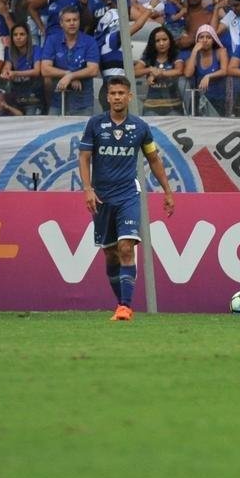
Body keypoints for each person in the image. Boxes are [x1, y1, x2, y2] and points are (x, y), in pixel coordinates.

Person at [78, 76, 175, 322]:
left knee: (125, 247)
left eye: (122, 92)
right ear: (107, 97)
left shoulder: (141, 127)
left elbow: (153, 159)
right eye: (114, 93)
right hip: (101, 197)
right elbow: (84, 158)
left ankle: (125, 306)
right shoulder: (95, 124)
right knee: (110, 253)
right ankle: (121, 302)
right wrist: (87, 189)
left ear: (130, 96)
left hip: (128, 195)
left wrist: (167, 191)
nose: (118, 97)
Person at [39, 8, 97, 114]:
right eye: (68, 20)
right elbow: (45, 69)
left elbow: (93, 70)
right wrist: (68, 74)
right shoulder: (52, 40)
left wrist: (71, 76)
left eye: (75, 20)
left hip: (83, 102)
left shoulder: (90, 41)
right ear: (61, 23)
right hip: (57, 101)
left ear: (79, 22)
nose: (72, 23)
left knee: (83, 131)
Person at [134, 26, 184, 116]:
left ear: (170, 41)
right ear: (153, 43)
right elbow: (135, 72)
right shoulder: (148, 57)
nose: (161, 43)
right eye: (157, 41)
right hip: (151, 106)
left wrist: (159, 73)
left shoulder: (176, 55)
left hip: (173, 106)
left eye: (164, 39)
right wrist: (150, 69)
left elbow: (179, 71)